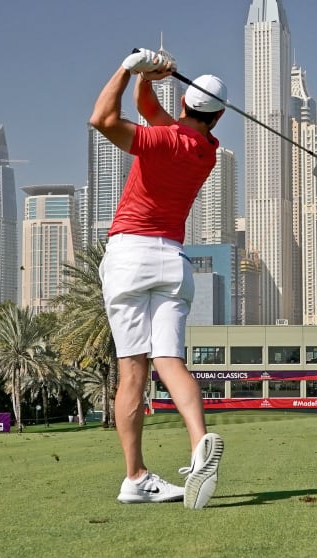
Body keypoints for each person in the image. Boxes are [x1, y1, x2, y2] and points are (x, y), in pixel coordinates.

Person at [89, 47, 225, 510]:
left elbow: (103, 120)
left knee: (132, 372)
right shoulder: (206, 149)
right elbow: (151, 112)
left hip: (130, 255)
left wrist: (127, 68)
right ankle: (199, 444)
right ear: (219, 116)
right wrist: (152, 77)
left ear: (186, 103)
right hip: (175, 261)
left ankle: (135, 477)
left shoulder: (163, 141)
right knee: (170, 361)